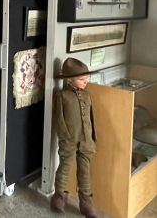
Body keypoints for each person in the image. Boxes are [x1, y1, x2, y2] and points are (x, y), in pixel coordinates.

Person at [51, 57, 98, 218]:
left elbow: (91, 118)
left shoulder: (87, 95)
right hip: (69, 140)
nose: (86, 81)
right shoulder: (61, 96)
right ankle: (59, 196)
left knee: (84, 171)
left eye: (86, 78)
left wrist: (92, 137)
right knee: (64, 167)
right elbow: (59, 119)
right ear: (69, 80)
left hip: (86, 140)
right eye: (81, 79)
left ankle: (86, 203)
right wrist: (65, 137)